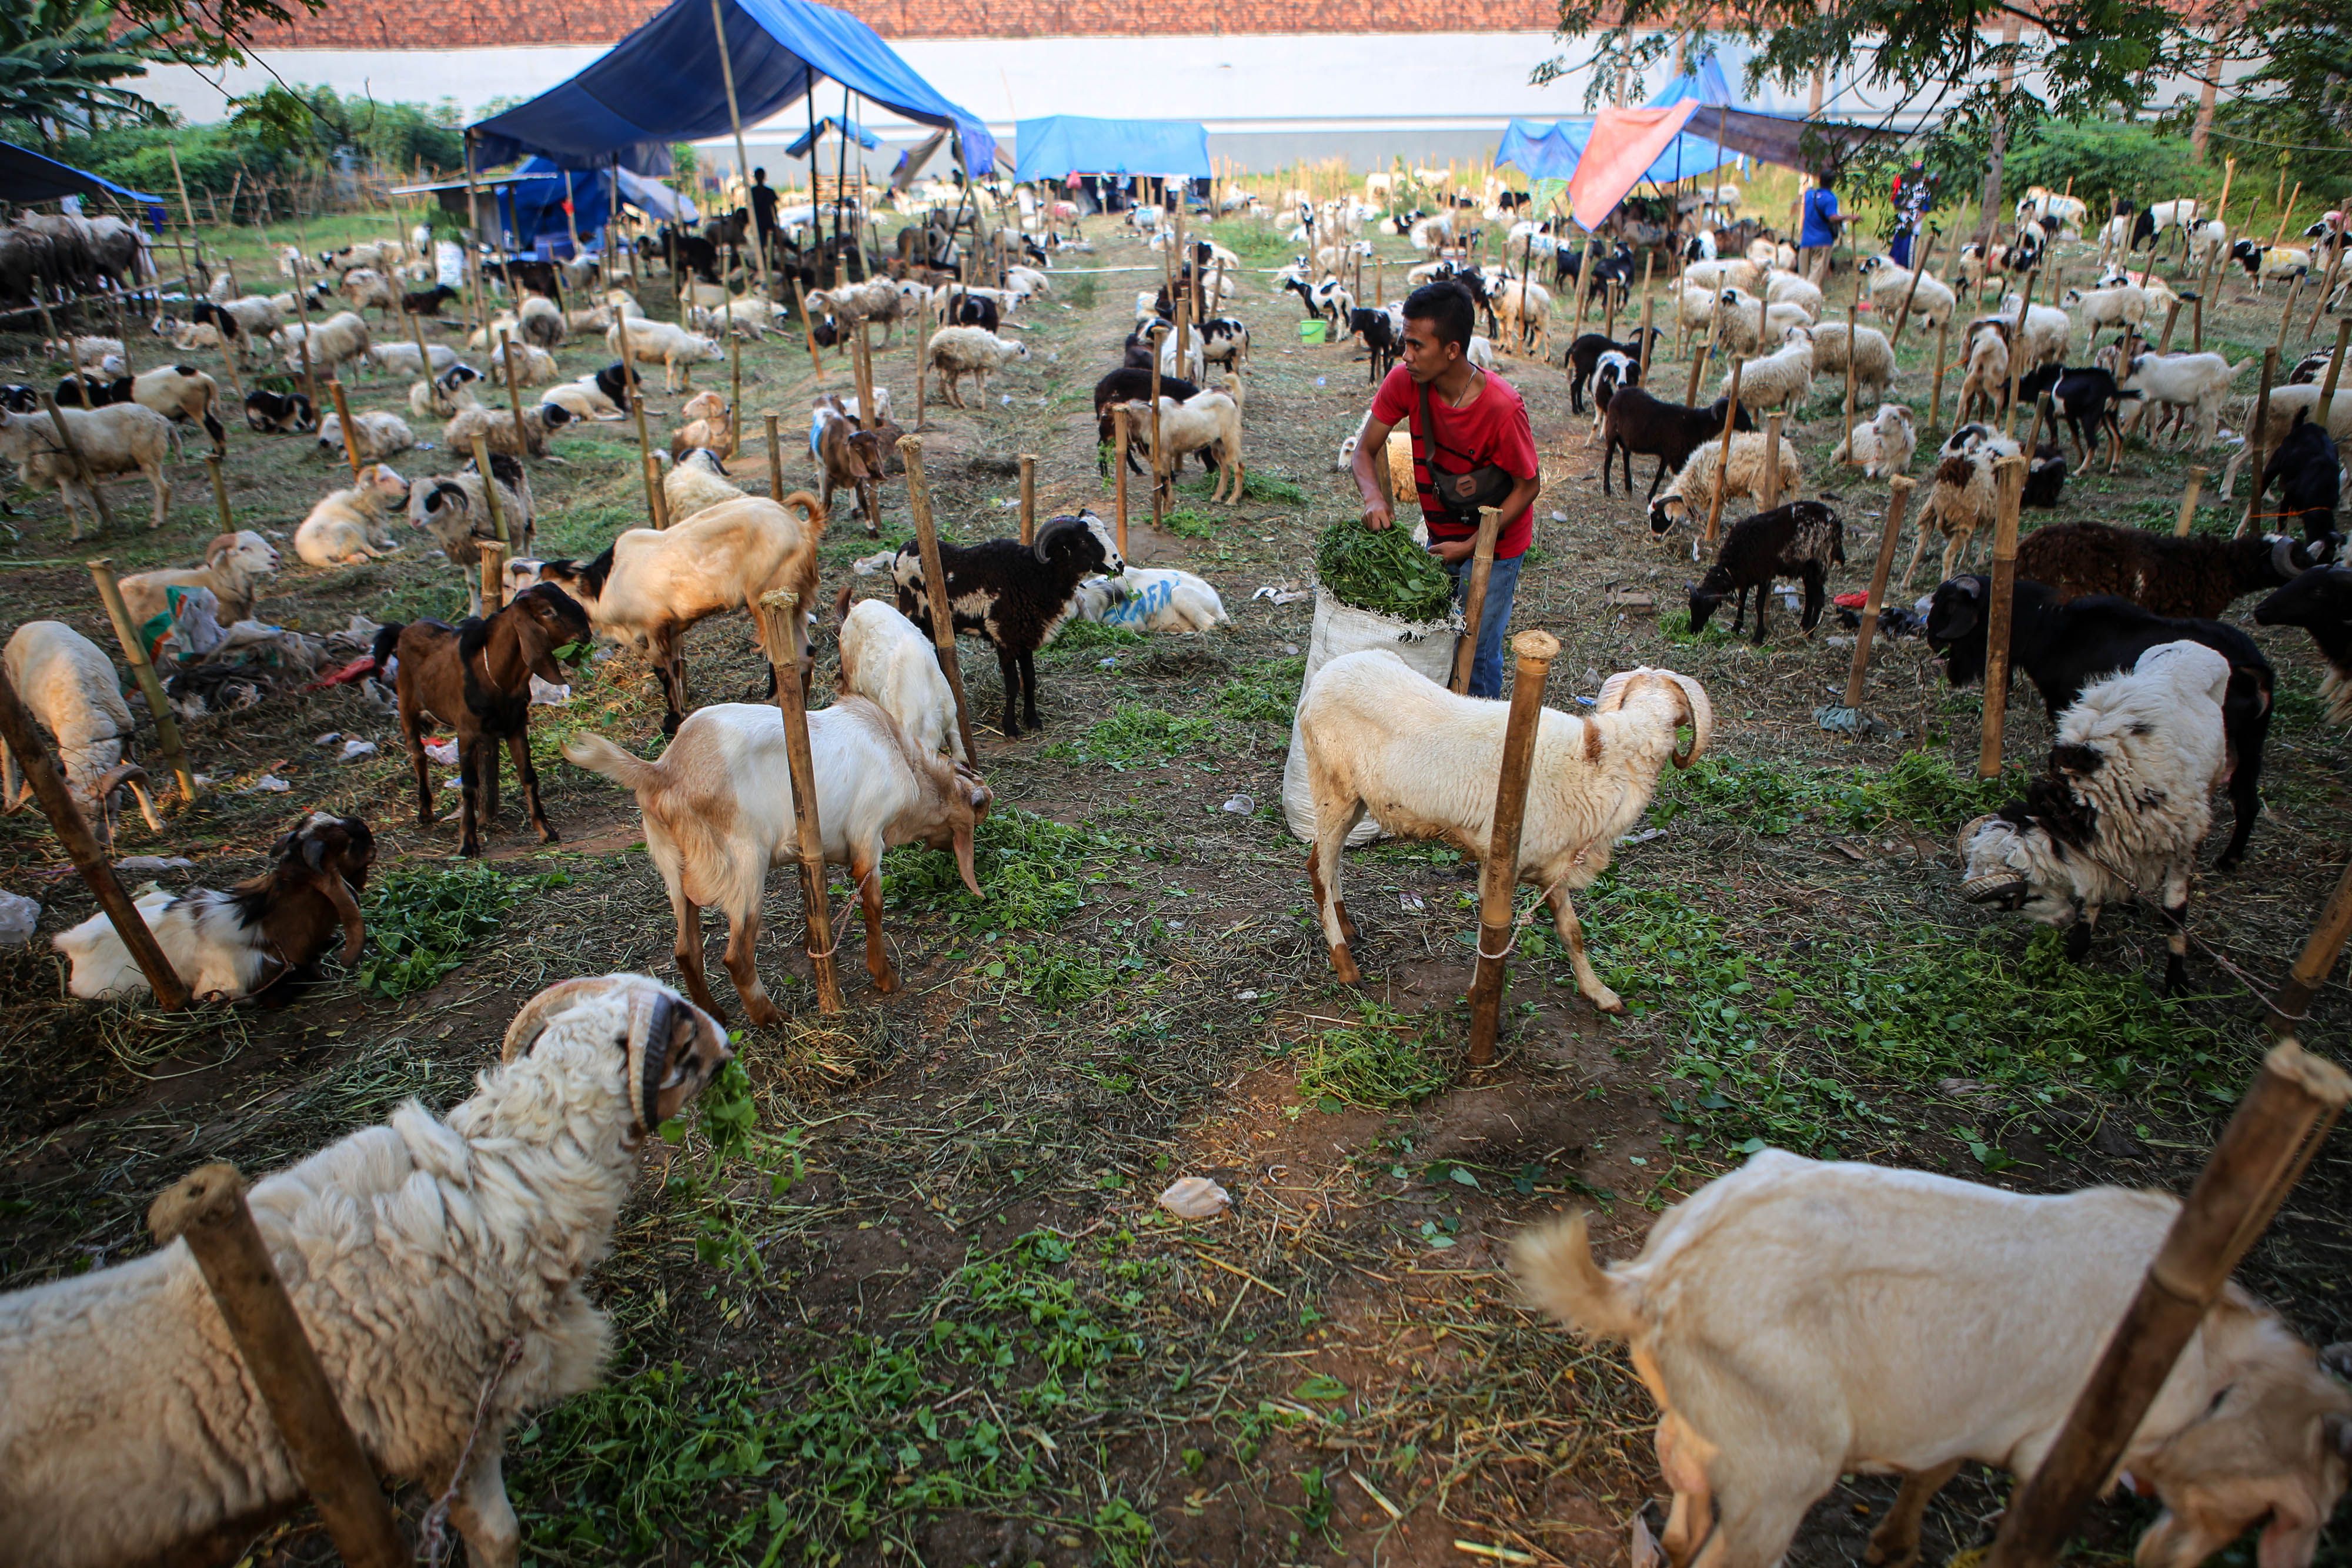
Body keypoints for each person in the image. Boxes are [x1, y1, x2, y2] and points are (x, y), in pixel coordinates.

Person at [1348, 281, 1542, 700]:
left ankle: (1480, 741)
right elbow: (1364, 452)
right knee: (1442, 641)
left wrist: (1471, 546)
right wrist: (1374, 498)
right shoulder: (1406, 382)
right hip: (1442, 536)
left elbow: (1529, 486)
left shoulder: (1502, 408)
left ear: (1452, 350)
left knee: (1475, 645)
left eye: (1417, 345)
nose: (1406, 355)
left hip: (1497, 544)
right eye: (1404, 342)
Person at [1799, 173, 1846, 282]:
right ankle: (1810, 297)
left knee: (1803, 277)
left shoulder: (1809, 195)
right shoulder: (1830, 198)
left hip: (1806, 241)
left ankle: (1800, 296)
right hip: (1822, 241)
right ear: (1833, 183)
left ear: (1819, 181)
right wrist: (1848, 217)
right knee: (1816, 276)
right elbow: (1832, 217)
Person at [1889, 162, 1933, 268]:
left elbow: (1924, 210)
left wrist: (1912, 224)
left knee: (1907, 255)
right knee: (1895, 254)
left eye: (1918, 174)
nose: (1916, 176)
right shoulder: (1904, 186)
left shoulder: (1925, 188)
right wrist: (1903, 206)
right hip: (1901, 225)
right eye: (1914, 173)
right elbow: (1896, 205)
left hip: (1913, 227)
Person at [748, 166, 779, 248]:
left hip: (768, 221)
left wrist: (776, 221)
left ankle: (770, 259)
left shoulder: (769, 192)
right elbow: (750, 208)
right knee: (761, 243)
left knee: (770, 242)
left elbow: (774, 208)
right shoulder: (752, 192)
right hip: (758, 222)